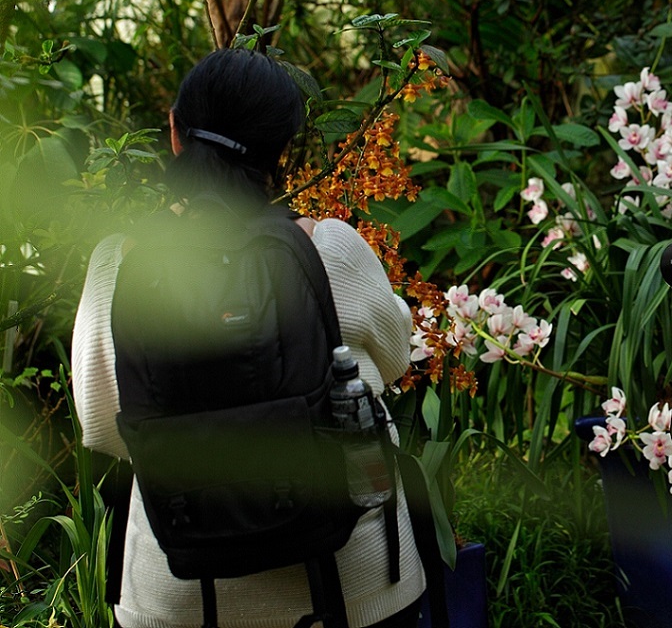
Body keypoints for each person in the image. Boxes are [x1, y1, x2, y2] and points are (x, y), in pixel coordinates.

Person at [71, 49, 427, 628]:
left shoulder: (118, 264)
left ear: (174, 133)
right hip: (351, 587)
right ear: (282, 152)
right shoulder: (330, 249)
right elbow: (393, 361)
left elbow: (103, 427)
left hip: (178, 590)